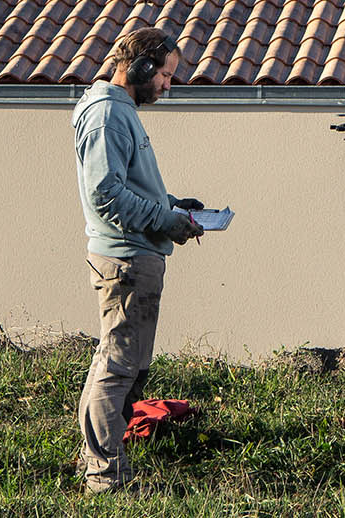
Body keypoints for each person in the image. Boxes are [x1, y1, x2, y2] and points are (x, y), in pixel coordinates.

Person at [71, 26, 204, 494]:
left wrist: (169, 205)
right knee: (118, 367)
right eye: (165, 75)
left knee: (125, 364)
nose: (168, 85)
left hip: (133, 257)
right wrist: (164, 221)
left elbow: (127, 185)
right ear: (142, 67)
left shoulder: (117, 111)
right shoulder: (108, 115)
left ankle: (103, 459)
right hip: (126, 261)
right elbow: (105, 194)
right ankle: (105, 477)